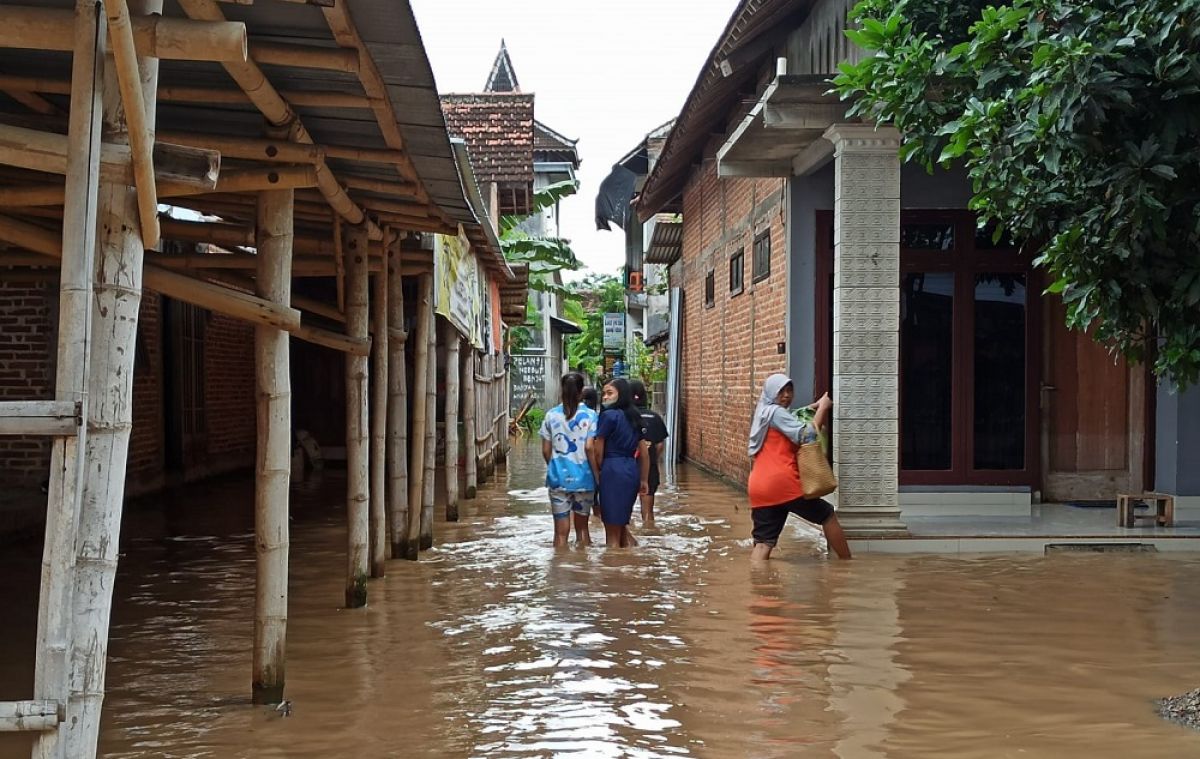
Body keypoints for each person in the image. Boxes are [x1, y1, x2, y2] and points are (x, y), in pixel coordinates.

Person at [747, 374, 851, 560]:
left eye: (790, 390)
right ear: (772, 393)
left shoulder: (764, 412)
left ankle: (758, 585)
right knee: (827, 515)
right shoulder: (777, 413)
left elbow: (791, 417)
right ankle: (846, 565)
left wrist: (815, 405)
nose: (786, 395)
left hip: (759, 487)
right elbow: (806, 435)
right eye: (781, 392)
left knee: (763, 543)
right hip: (783, 483)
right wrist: (824, 409)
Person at [540, 372, 599, 548]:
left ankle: (559, 568)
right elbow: (590, 448)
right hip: (584, 479)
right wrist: (597, 476)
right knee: (583, 531)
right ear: (581, 392)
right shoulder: (590, 416)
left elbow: (545, 450)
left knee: (559, 534)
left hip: (558, 479)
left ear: (562, 390)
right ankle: (583, 570)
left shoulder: (551, 415)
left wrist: (555, 466)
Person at [593, 377, 650, 548]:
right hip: (631, 471)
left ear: (622, 395)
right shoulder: (634, 417)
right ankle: (627, 567)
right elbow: (644, 453)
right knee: (622, 525)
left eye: (610, 393)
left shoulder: (608, 416)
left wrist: (600, 471)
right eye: (603, 394)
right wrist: (644, 479)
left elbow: (597, 449)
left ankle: (613, 570)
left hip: (612, 470)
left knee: (611, 533)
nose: (605, 397)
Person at [630, 379, 668, 529]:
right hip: (650, 468)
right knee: (648, 514)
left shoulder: (624, 417)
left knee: (625, 510)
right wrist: (651, 460)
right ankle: (650, 534)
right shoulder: (655, 418)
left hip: (628, 467)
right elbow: (659, 445)